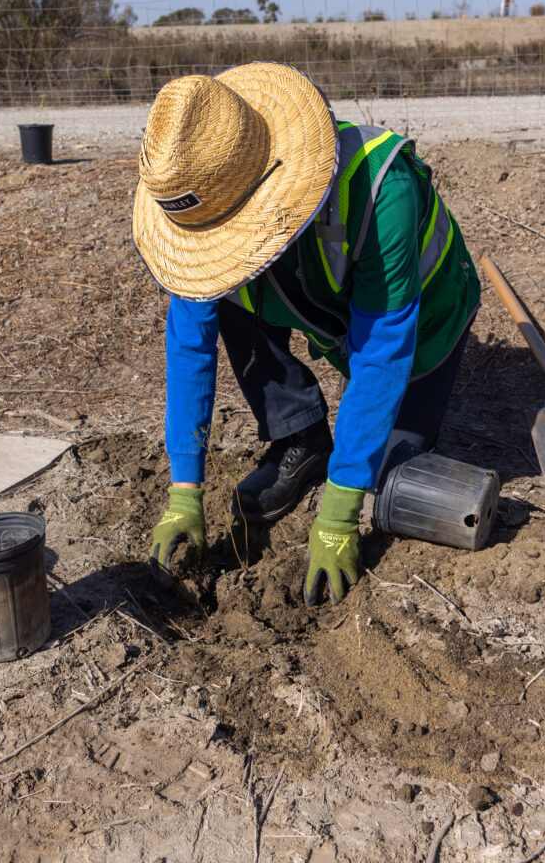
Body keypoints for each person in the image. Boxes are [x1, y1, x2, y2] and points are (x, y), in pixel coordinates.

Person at [132, 63, 481, 606]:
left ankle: (356, 463)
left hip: (427, 323)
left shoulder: (380, 190)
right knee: (224, 295)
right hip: (321, 305)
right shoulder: (204, 215)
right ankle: (302, 435)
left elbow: (385, 344)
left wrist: (340, 511)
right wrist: (184, 490)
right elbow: (189, 346)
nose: (222, 252)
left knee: (390, 473)